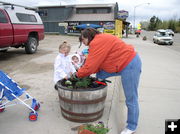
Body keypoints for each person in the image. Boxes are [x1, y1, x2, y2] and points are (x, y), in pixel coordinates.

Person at [72, 28, 142, 134]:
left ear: (87, 37)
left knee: (131, 98)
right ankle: (99, 83)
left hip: (129, 65)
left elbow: (90, 67)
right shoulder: (99, 39)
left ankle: (132, 127)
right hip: (119, 64)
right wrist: (85, 71)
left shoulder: (96, 42)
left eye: (83, 40)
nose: (83, 43)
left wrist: (77, 74)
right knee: (100, 74)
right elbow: (96, 64)